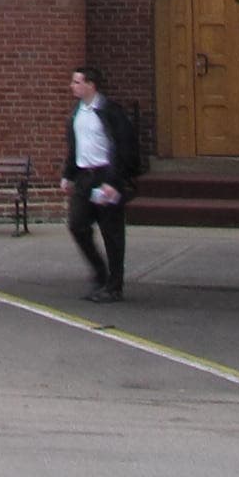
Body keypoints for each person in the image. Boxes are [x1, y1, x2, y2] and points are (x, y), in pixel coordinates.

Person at [61, 64, 141, 300]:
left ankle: (114, 286)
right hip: (84, 176)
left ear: (90, 85)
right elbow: (75, 147)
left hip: (106, 175)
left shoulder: (110, 111)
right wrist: (68, 174)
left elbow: (125, 147)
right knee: (77, 224)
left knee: (111, 232)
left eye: (77, 82)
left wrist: (114, 181)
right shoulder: (77, 114)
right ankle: (100, 273)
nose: (72, 86)